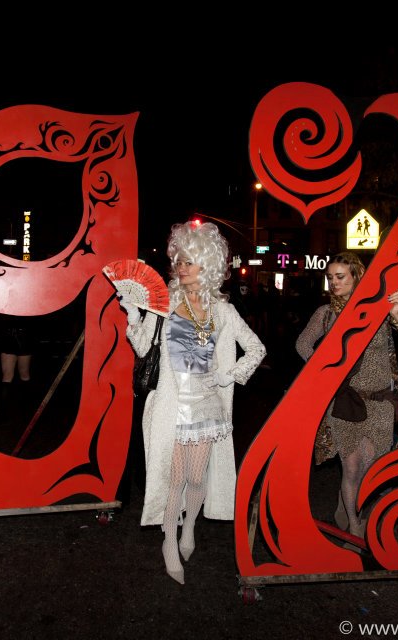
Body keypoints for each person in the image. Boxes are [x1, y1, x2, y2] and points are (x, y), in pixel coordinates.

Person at [119, 221, 266, 585]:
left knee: (197, 478)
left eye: (188, 262)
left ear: (207, 265)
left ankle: (188, 528)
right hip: (172, 403)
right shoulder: (164, 304)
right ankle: (170, 540)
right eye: (179, 261)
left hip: (207, 406)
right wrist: (134, 316)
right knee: (174, 478)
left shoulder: (223, 311)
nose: (180, 268)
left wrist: (228, 374)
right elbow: (141, 349)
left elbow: (257, 349)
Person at [295, 252, 398, 538]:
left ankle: (348, 510)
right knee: (351, 468)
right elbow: (302, 343)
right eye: (329, 277)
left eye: (340, 276)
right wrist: (324, 369)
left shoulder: (379, 310)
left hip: (380, 404)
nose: (333, 283)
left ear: (357, 277)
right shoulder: (326, 314)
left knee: (370, 468)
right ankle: (355, 528)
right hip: (344, 403)